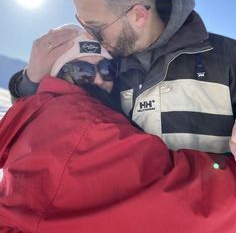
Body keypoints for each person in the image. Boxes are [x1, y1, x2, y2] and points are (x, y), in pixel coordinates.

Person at [9, 0, 236, 154]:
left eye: (96, 26)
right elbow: (49, 126)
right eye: (82, 24)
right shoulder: (104, 70)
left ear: (138, 15)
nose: (88, 35)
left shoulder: (228, 59)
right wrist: (30, 81)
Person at [1, 33, 236, 232]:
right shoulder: (84, 124)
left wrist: (27, 85)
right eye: (81, 71)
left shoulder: (40, 114)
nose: (98, 79)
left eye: (106, 69)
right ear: (56, 76)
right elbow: (184, 205)